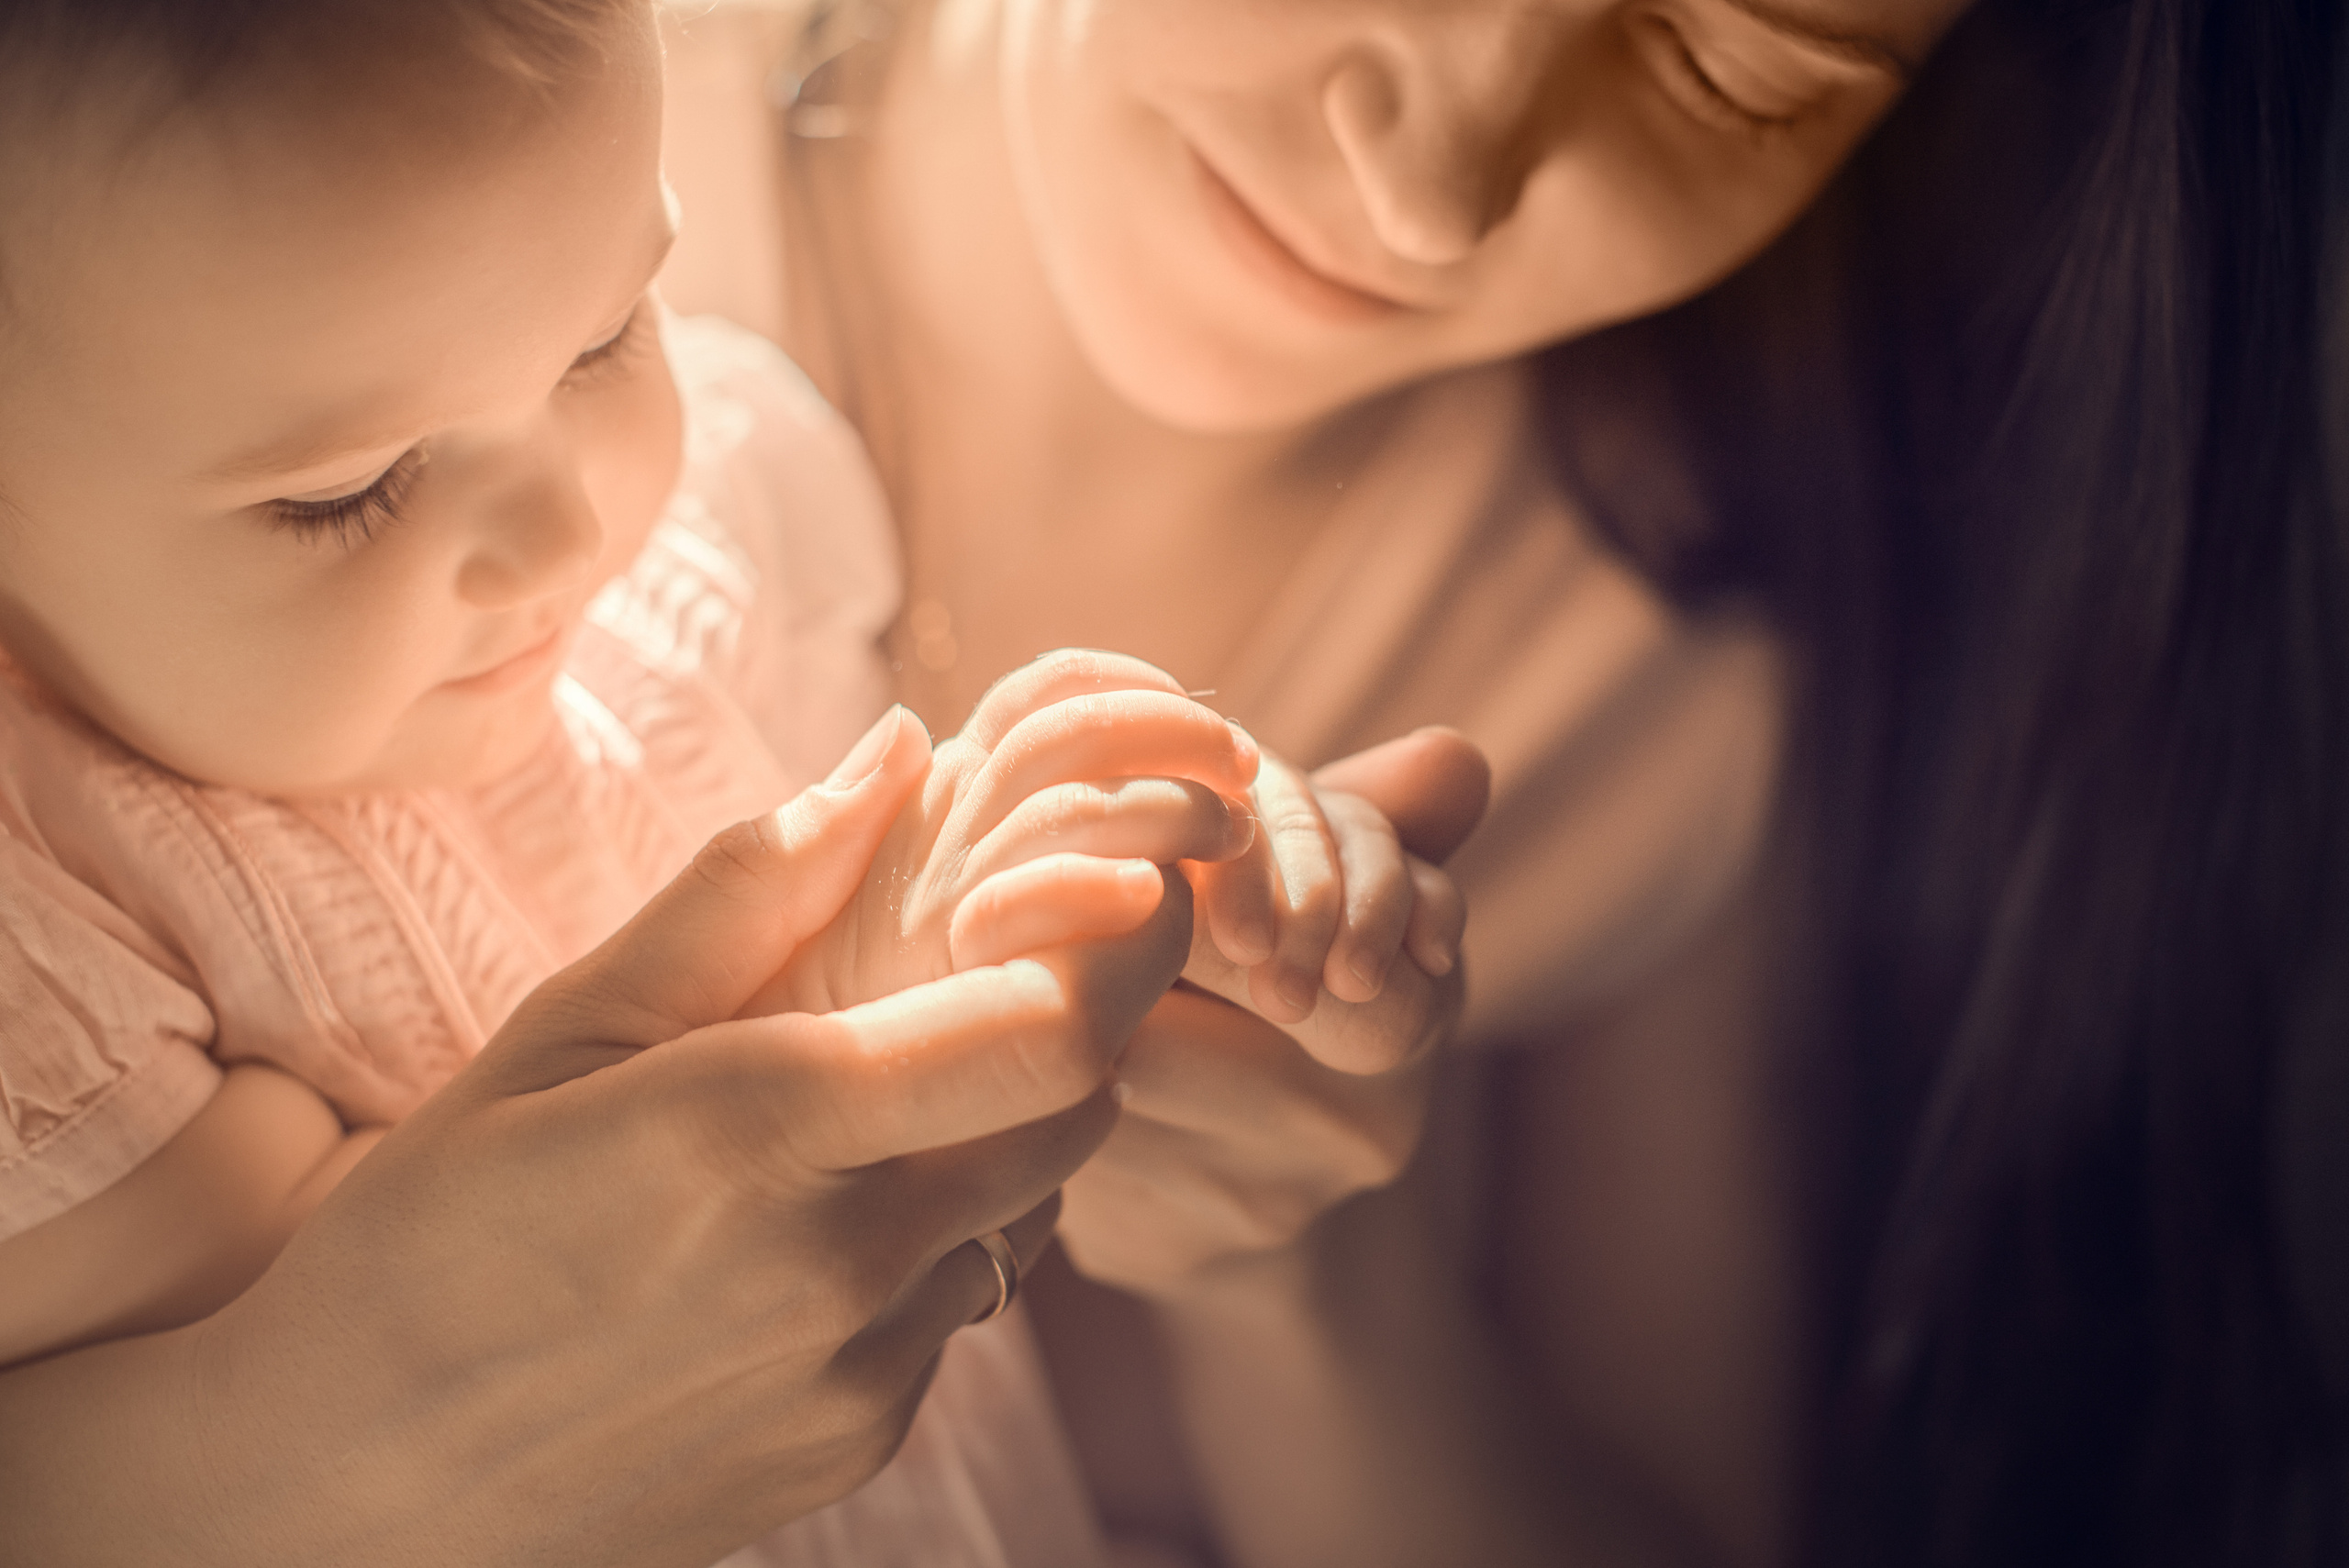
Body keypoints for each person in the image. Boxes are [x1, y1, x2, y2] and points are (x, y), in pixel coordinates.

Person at [651, 0, 2349, 1562]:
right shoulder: (525, 156)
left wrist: (1296, 1283)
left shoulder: (1637, 691)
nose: (1428, 191)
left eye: (1729, 75)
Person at [0, 1, 1483, 1562]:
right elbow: (375, 1369)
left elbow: (910, 869)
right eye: (348, 492)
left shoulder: (721, 535)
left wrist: (1146, 877)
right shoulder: (50, 896)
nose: (566, 534)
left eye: (601, 338)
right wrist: (852, 998)